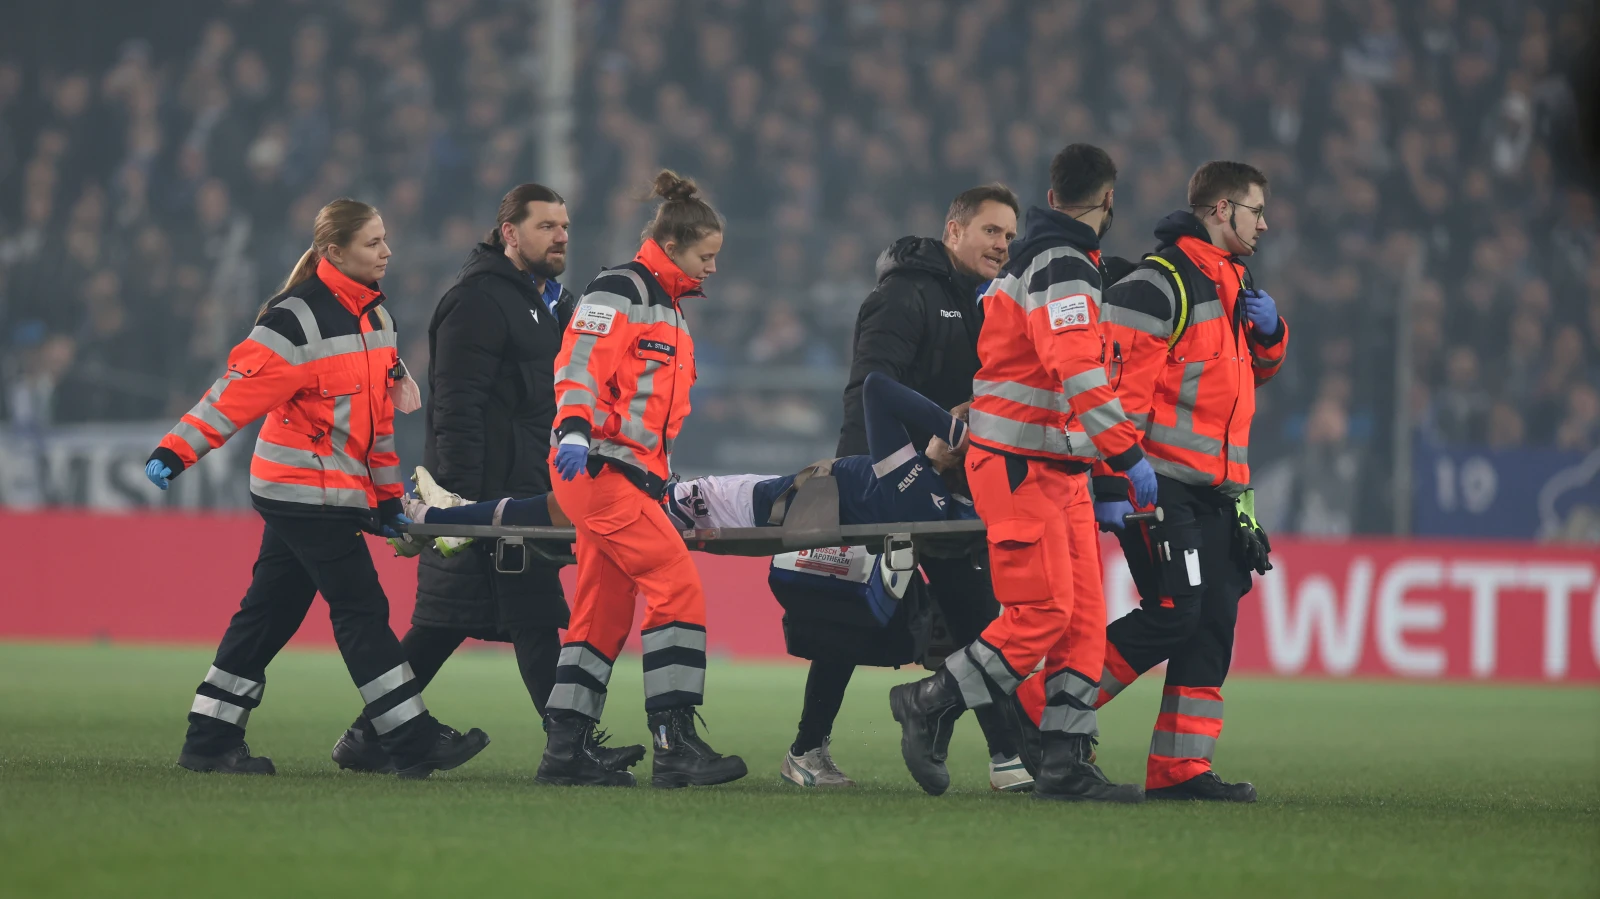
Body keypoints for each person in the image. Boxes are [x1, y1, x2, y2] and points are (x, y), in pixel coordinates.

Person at [143, 198, 487, 779]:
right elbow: (231, 397)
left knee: (270, 613)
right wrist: (174, 451)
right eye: (373, 243)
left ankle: (209, 739)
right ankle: (409, 738)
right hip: (298, 489)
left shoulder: (377, 320)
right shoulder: (294, 320)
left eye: (385, 240)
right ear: (334, 252)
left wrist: (384, 498)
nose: (387, 252)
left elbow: (378, 428)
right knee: (361, 607)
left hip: (330, 492)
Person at [328, 184, 644, 775]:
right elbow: (456, 407)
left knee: (458, 622)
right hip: (489, 494)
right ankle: (568, 747)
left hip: (526, 488)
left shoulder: (552, 302)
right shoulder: (477, 301)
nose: (562, 237)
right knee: (522, 615)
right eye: (547, 226)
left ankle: (372, 734)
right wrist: (460, 503)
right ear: (509, 234)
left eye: (565, 226)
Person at [887, 144, 1152, 802]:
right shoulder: (1062, 264)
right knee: (1043, 611)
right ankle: (928, 700)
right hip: (1019, 465)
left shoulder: (1046, 262)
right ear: (1107, 201)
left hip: (1055, 467)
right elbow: (1077, 369)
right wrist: (1127, 453)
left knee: (1084, 620)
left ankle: (1065, 759)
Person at [1083, 161, 1286, 802]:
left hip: (1218, 490)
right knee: (1176, 615)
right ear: (1221, 209)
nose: (1265, 222)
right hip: (1161, 482)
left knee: (1212, 624)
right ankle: (1042, 710)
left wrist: (1273, 333)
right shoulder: (1159, 284)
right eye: (1256, 210)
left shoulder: (1235, 283)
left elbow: (1252, 375)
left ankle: (1181, 770)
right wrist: (1117, 482)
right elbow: (1118, 396)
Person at [536, 170, 746, 789]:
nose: (713, 269)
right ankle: (674, 743)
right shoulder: (622, 289)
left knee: (600, 611)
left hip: (619, 472)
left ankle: (565, 750)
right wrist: (574, 426)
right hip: (599, 466)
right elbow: (579, 359)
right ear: (675, 244)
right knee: (676, 586)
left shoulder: (668, 309)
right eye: (707, 257)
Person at [824, 184, 1030, 792]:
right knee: (851, 619)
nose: (1002, 245)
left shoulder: (982, 304)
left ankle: (1007, 759)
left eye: (1010, 236)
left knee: (976, 613)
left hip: (945, 480)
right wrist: (905, 457)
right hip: (880, 476)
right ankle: (808, 750)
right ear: (953, 231)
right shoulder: (904, 294)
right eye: (991, 231)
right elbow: (874, 389)